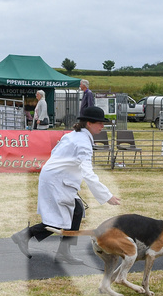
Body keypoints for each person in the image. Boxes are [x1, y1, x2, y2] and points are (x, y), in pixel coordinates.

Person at [11, 106, 121, 264]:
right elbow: (87, 173)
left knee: (76, 211)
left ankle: (63, 251)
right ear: (88, 123)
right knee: (56, 220)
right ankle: (25, 235)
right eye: (100, 123)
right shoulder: (82, 142)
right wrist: (107, 195)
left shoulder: (74, 135)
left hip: (57, 178)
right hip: (57, 180)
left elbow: (57, 153)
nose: (102, 126)